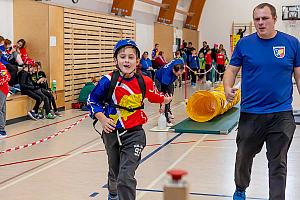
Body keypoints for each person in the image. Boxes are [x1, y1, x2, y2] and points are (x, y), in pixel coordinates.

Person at [223, 3, 300, 200]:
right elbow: (231, 70)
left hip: (281, 114)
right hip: (251, 114)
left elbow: (299, 76)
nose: (260, 23)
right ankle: (240, 188)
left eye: (264, 18)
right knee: (243, 157)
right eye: (257, 19)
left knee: (278, 162)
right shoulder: (244, 44)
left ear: (275, 19)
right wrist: (226, 88)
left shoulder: (292, 43)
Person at [87, 39, 172, 200]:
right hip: (111, 132)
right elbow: (92, 101)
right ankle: (113, 194)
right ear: (115, 60)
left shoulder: (144, 81)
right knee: (115, 172)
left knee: (125, 176)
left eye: (131, 57)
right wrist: (103, 119)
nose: (127, 60)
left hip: (135, 133)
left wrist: (165, 100)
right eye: (122, 56)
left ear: (137, 61)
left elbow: (154, 96)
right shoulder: (107, 80)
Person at [155, 59, 184, 126]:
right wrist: (163, 103)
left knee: (171, 95)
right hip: (160, 80)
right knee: (166, 98)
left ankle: (168, 110)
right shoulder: (166, 74)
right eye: (178, 74)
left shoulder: (179, 62)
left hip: (170, 80)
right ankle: (165, 117)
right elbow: (164, 91)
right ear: (173, 70)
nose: (179, 75)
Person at [0, 61, 11, 138]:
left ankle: (1, 131)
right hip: (3, 89)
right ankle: (2, 129)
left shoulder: (1, 66)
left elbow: (7, 77)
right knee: (2, 109)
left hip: (2, 89)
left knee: (0, 109)